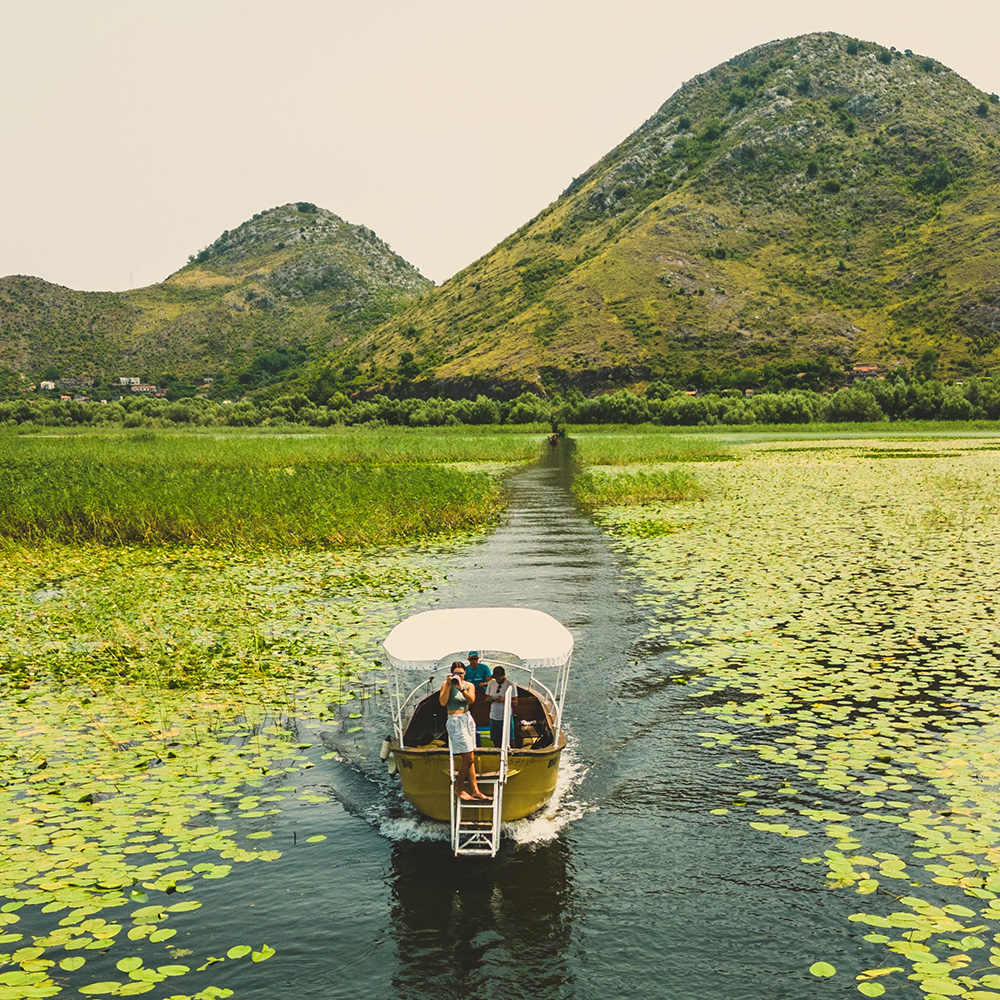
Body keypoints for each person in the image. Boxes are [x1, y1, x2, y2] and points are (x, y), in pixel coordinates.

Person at [438, 661, 489, 801]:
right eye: (456, 673)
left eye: (461, 673)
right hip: (455, 720)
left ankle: (475, 790)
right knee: (469, 758)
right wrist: (449, 685)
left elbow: (471, 700)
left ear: (465, 673)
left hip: (467, 719)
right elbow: (443, 702)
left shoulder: (469, 685)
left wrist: (461, 688)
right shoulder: (446, 684)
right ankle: (459, 790)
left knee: (470, 756)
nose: (458, 675)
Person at [485, 666, 517, 749]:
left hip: (506, 717)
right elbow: (486, 698)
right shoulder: (491, 683)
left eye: (499, 678)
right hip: (493, 716)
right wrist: (491, 699)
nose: (497, 680)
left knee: (510, 739)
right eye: (496, 678)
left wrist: (504, 699)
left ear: (504, 676)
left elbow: (515, 702)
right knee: (496, 740)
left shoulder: (511, 685)